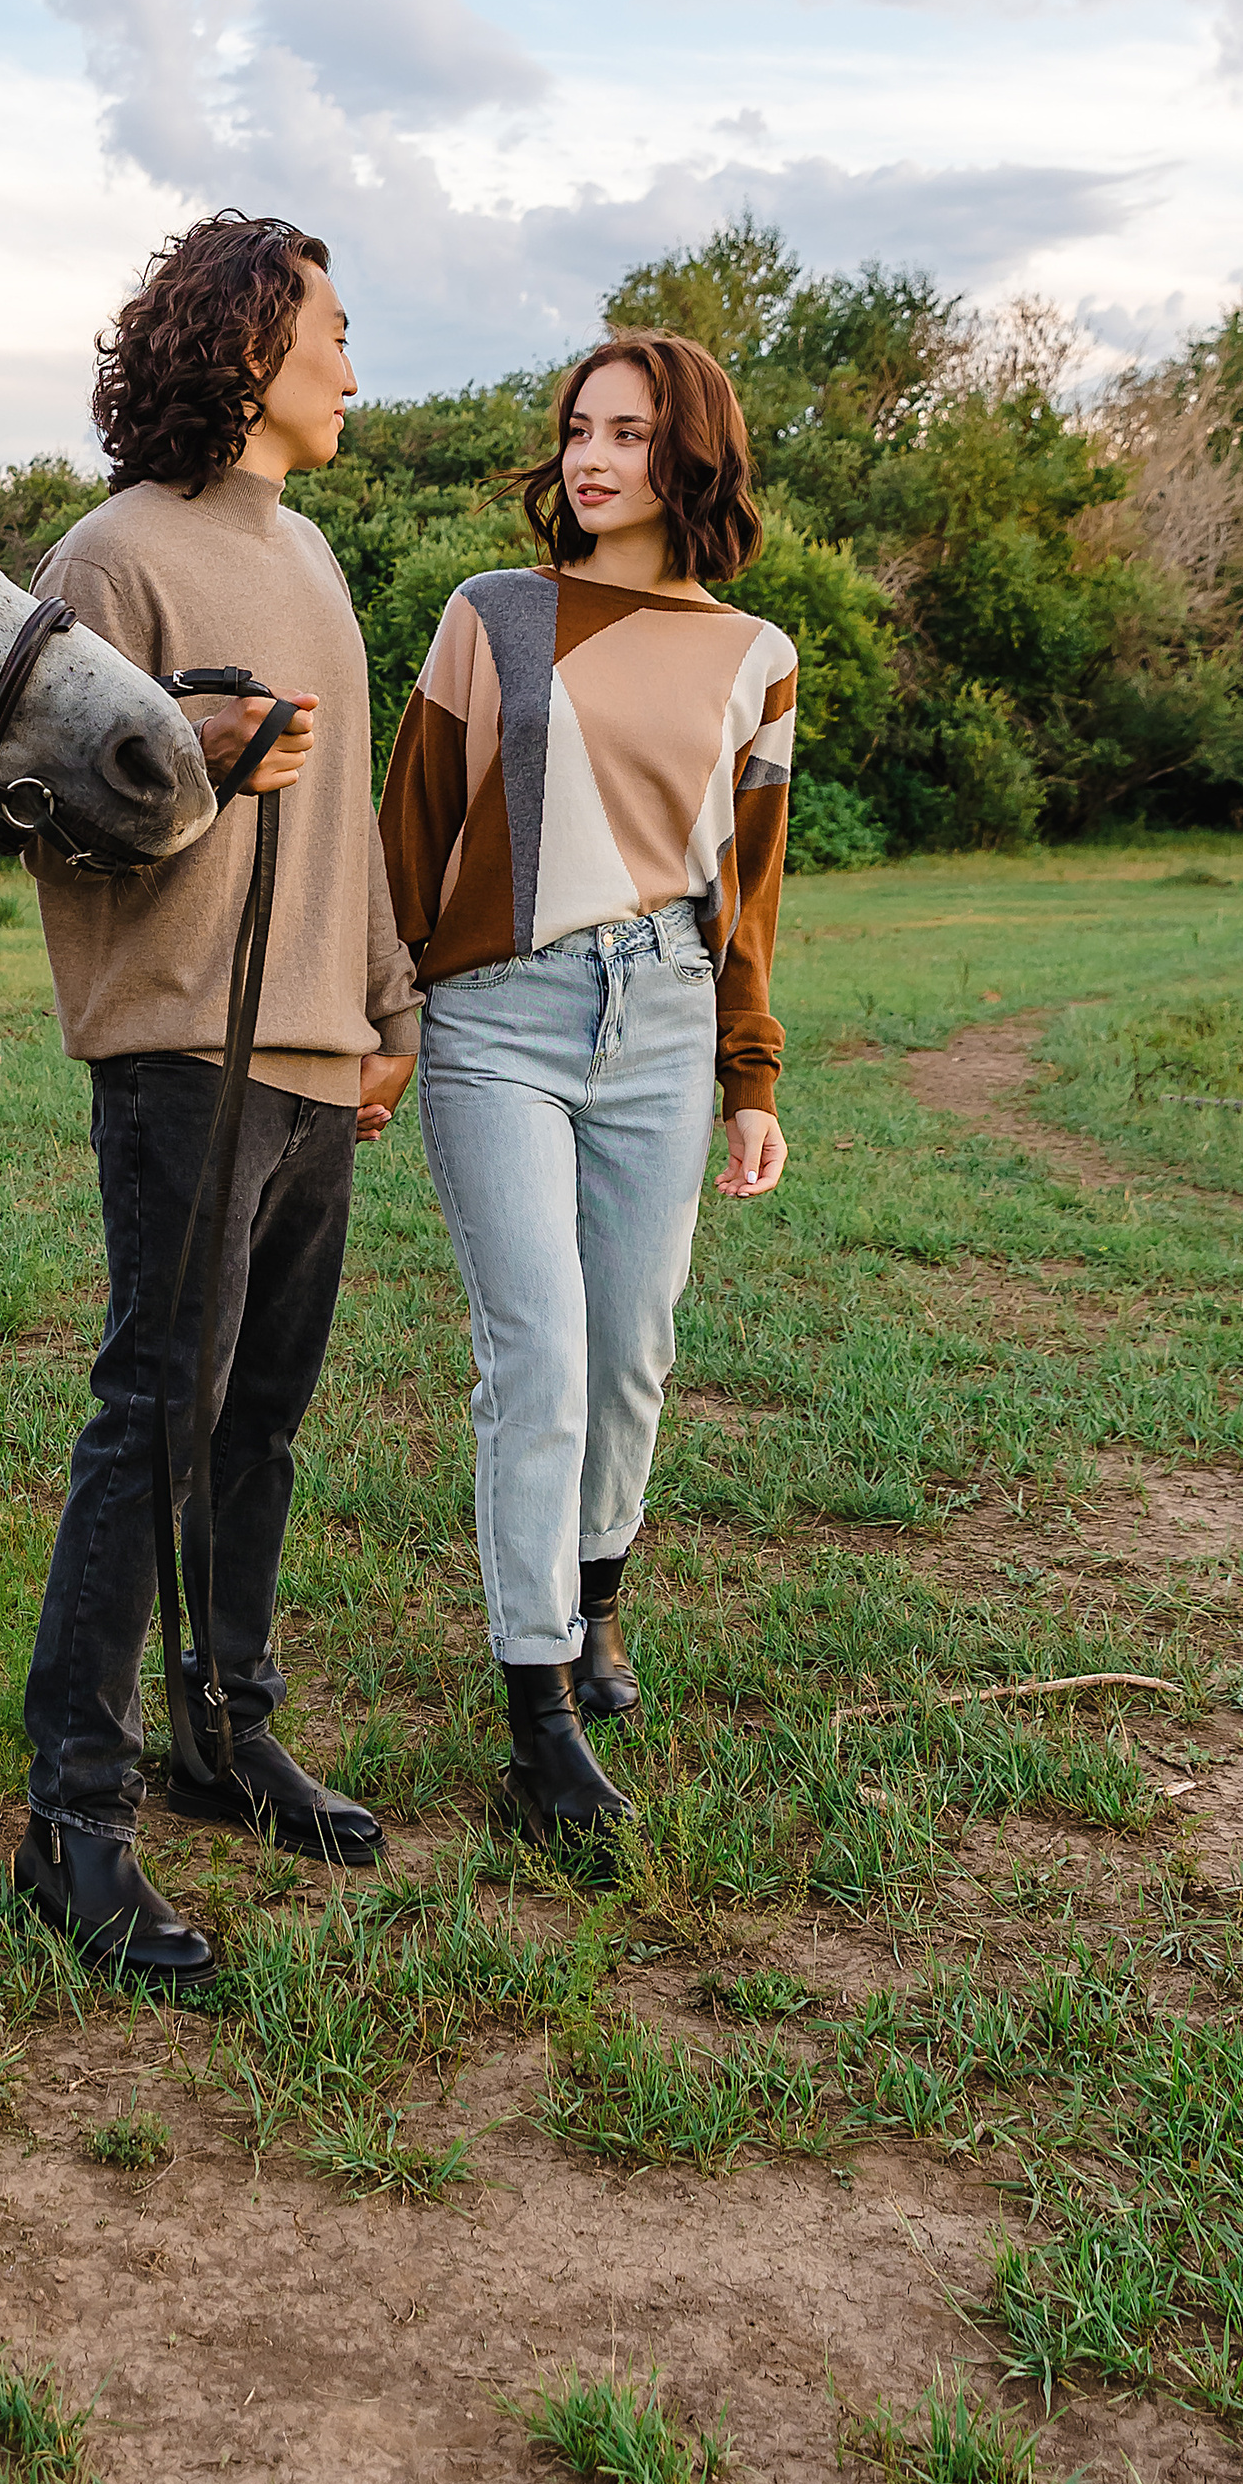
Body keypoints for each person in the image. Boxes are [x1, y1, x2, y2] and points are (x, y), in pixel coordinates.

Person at [12, 212, 421, 1988]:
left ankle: (222, 1728)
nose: (353, 364)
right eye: (332, 331)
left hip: (318, 1054)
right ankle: (70, 1820)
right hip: (184, 1046)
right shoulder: (108, 560)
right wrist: (190, 737)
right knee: (154, 1420)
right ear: (250, 348)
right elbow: (22, 800)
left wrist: (388, 995)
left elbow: (357, 812)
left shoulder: (313, 553)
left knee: (260, 1420)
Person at [378, 329, 793, 1846]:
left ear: (690, 455)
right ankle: (537, 1719)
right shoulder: (493, 616)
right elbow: (408, 828)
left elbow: (747, 888)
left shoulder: (759, 657)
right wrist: (387, 1012)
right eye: (577, 429)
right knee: (538, 1357)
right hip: (499, 1017)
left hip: (670, 1025)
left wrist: (754, 1072)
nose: (591, 456)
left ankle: (597, 1603)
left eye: (627, 431)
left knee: (631, 1354)